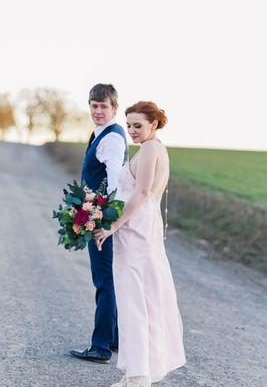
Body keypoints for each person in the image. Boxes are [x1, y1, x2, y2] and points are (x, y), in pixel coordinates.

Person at [95, 101, 186, 386]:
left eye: (138, 126)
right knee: (141, 301)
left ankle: (137, 376)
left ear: (154, 124)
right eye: (129, 125)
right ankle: (137, 372)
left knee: (134, 302)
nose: (132, 131)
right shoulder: (156, 148)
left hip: (136, 232)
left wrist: (112, 226)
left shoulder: (149, 150)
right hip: (141, 229)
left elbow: (143, 192)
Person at [70, 84, 128, 363]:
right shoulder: (101, 134)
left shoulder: (113, 139)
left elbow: (115, 180)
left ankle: (101, 346)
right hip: (101, 216)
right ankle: (114, 338)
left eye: (104, 106)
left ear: (114, 108)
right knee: (108, 279)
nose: (98, 110)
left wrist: (105, 218)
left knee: (104, 281)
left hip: (104, 221)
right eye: (94, 105)